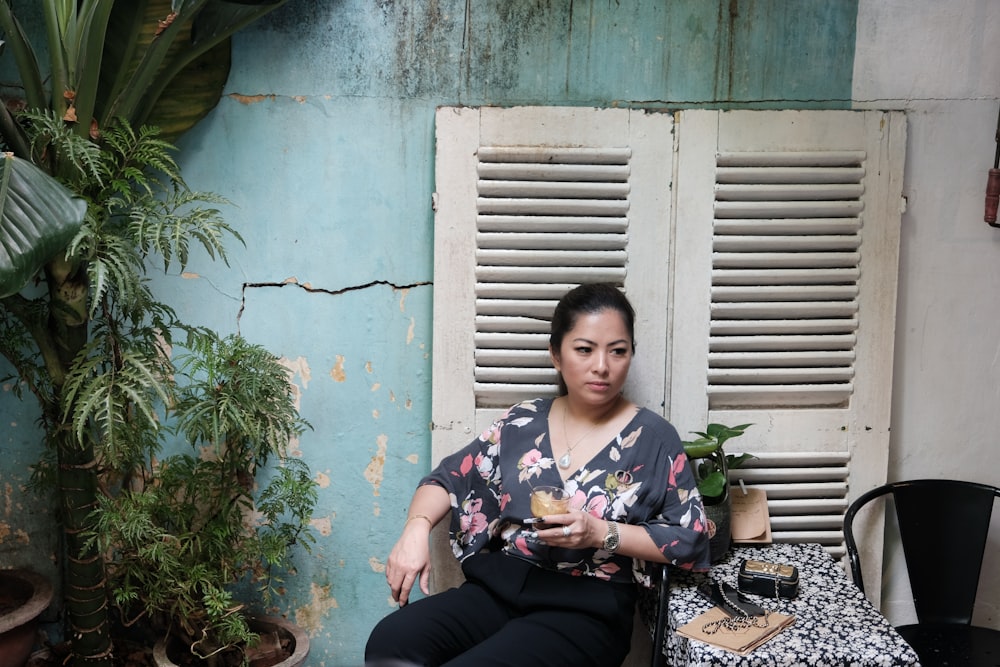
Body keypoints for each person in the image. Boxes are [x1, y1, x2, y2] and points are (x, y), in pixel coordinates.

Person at [365, 283, 711, 667]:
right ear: (556, 355)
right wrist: (415, 530)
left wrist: (600, 533)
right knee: (391, 643)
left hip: (586, 608)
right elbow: (447, 478)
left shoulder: (653, 438)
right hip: (499, 587)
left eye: (618, 351)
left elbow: (690, 538)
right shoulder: (522, 421)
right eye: (584, 349)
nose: (602, 366)